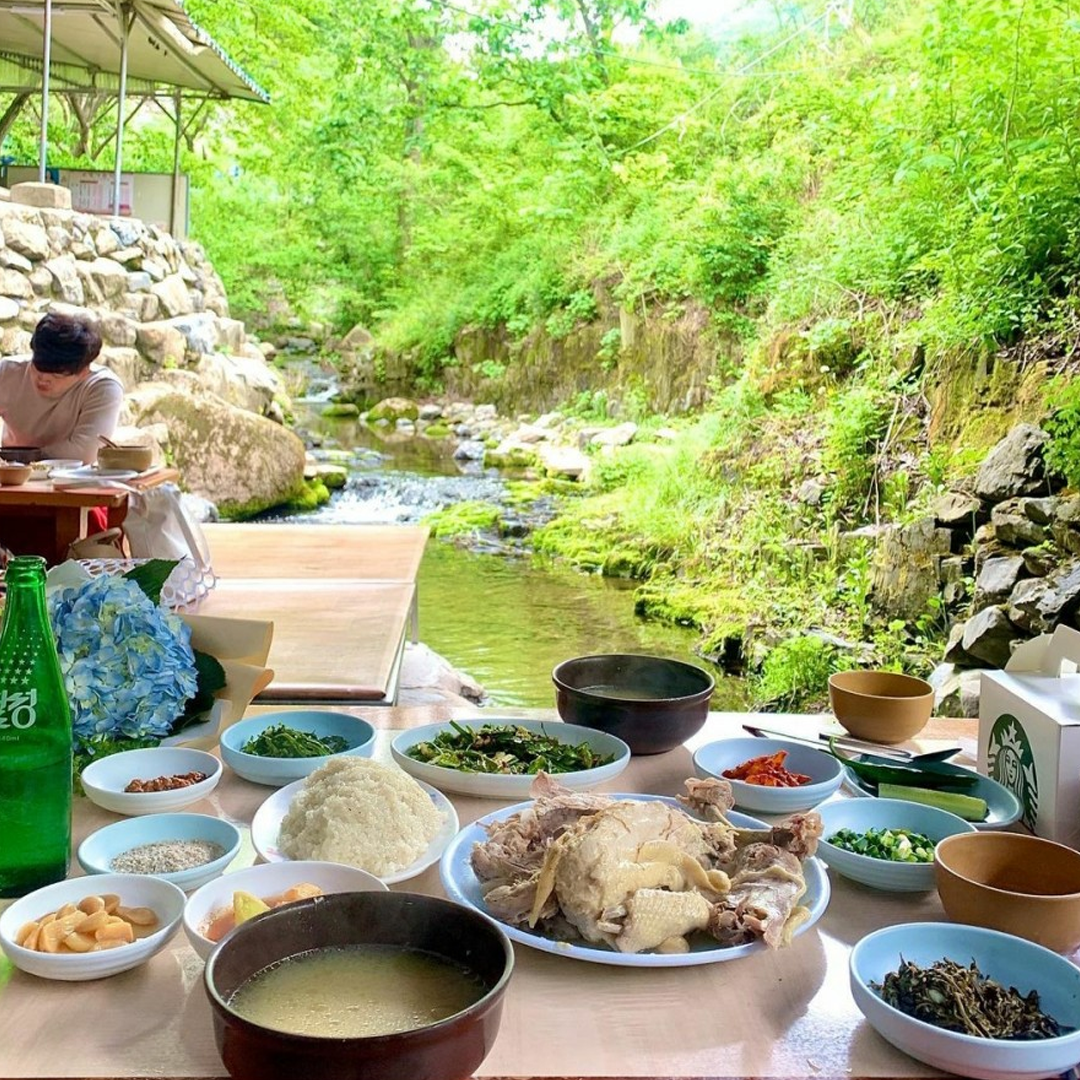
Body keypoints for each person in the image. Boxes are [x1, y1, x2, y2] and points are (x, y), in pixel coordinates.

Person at [0, 312, 123, 463]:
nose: (43, 379)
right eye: (38, 368)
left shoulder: (102, 387)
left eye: (57, 375)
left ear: (83, 372)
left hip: (72, 479)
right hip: (10, 476)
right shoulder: (7, 372)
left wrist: (20, 457)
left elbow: (85, 452)